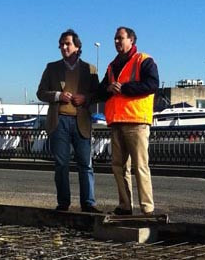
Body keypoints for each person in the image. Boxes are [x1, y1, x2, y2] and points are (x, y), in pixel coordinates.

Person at [36, 29, 101, 213]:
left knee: (85, 164)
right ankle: (63, 204)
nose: (64, 47)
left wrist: (85, 99)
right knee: (61, 164)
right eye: (61, 44)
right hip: (59, 122)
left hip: (81, 122)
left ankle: (88, 203)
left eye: (68, 44)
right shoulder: (52, 68)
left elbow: (97, 94)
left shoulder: (90, 69)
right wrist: (57, 95)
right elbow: (40, 93)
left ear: (77, 46)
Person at [100, 26, 159, 216]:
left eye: (120, 38)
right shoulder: (112, 66)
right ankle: (125, 205)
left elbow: (152, 85)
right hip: (117, 122)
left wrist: (124, 88)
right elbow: (102, 90)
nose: (117, 42)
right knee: (118, 166)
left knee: (140, 165)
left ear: (131, 40)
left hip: (136, 121)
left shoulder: (144, 60)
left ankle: (147, 208)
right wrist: (108, 89)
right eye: (115, 39)